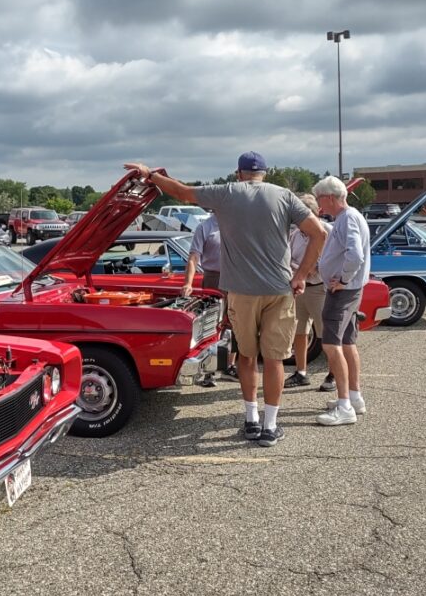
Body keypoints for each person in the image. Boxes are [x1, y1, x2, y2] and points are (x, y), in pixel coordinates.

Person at [123, 153, 327, 447]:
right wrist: (302, 276)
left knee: (245, 356)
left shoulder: (227, 193)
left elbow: (182, 192)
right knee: (274, 360)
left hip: (241, 292)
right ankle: (270, 426)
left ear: (239, 173)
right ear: (264, 174)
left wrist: (149, 174)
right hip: (279, 290)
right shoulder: (284, 196)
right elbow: (318, 233)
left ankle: (251, 420)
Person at [312, 176, 371, 426]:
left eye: (319, 199)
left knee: (331, 345)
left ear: (330, 197)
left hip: (343, 292)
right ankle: (354, 398)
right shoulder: (348, 217)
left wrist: (344, 280)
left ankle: (345, 405)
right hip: (348, 291)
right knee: (347, 343)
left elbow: (355, 254)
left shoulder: (347, 218)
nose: (318, 204)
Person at [181, 215, 238, 386]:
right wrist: (188, 283)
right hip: (213, 279)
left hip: (236, 279)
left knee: (236, 323)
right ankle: (209, 371)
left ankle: (229, 365)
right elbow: (193, 257)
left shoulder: (237, 222)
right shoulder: (205, 227)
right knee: (212, 325)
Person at [283, 194, 331, 389]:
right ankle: (301, 372)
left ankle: (333, 374)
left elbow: (335, 257)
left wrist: (316, 267)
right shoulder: (295, 234)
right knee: (299, 332)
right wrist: (298, 268)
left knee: (325, 334)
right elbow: (289, 257)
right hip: (299, 289)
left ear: (314, 213)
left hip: (319, 289)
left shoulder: (327, 231)